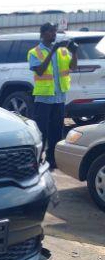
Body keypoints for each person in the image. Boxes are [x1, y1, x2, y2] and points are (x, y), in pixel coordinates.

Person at [27, 22, 78, 169]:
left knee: (56, 131)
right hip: (43, 98)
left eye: (55, 31)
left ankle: (52, 160)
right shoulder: (34, 52)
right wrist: (53, 51)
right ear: (42, 34)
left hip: (59, 98)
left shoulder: (62, 52)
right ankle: (35, 160)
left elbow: (73, 67)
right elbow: (41, 70)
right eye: (50, 31)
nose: (54, 34)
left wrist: (74, 52)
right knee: (41, 131)